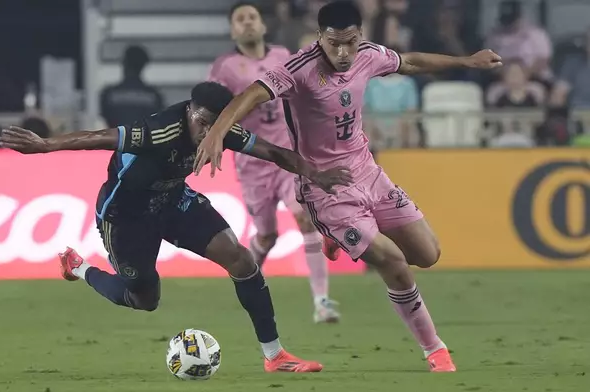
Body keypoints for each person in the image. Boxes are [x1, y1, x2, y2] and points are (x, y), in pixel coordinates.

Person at [194, 0, 502, 372]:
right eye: (334, 43)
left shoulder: (369, 55)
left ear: (361, 37)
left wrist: (466, 61)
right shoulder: (299, 68)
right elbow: (251, 94)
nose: (343, 53)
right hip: (324, 188)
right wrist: (218, 130)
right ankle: (435, 349)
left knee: (428, 254)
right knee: (394, 262)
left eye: (350, 43)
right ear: (320, 38)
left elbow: (411, 62)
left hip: (368, 172)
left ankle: (335, 238)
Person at [0, 81, 353, 373]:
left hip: (172, 202)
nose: (206, 132)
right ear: (189, 111)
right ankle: (79, 266)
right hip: (125, 219)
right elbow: (99, 136)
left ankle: (274, 355)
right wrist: (46, 145)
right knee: (144, 299)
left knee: (241, 260)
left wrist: (317, 174)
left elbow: (274, 152)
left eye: (215, 124)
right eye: (202, 122)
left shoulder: (220, 129)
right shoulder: (159, 130)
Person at [208, 1, 339, 324]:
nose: (248, 23)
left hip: (287, 155)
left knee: (305, 219)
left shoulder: (283, 56)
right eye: (240, 19)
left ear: (263, 26)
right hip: (252, 161)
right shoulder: (225, 68)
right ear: (232, 30)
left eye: (252, 17)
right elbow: (213, 108)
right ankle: (245, 282)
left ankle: (322, 302)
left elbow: (307, 89)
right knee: (267, 236)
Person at [100, 45, 165, 128]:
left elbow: (106, 119)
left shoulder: (109, 94)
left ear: (124, 63)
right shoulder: (154, 96)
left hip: (118, 139)